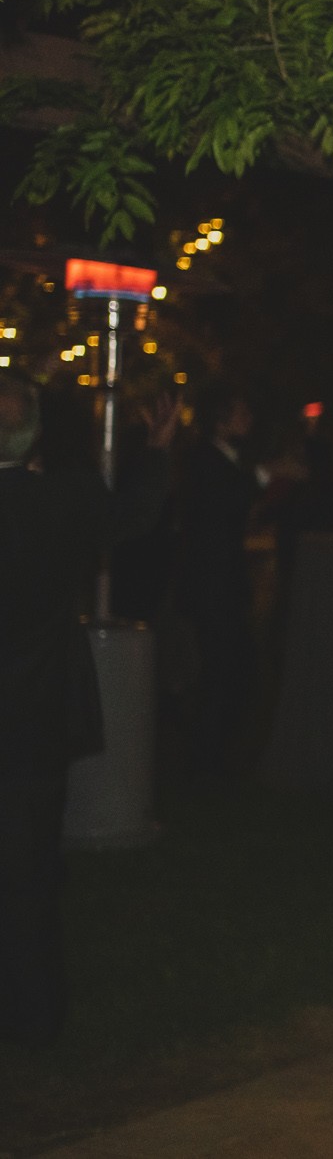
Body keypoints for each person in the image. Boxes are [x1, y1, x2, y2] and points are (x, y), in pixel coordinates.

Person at [0, 376, 99, 1047]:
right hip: (33, 718)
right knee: (29, 874)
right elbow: (127, 515)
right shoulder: (59, 502)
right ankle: (33, 1014)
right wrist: (151, 453)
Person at [175, 383, 265, 779]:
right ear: (221, 419)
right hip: (212, 585)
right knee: (219, 672)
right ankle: (205, 760)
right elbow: (226, 503)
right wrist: (266, 476)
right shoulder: (206, 461)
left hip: (223, 584)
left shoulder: (224, 461)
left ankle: (214, 754)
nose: (249, 421)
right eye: (241, 414)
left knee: (232, 669)